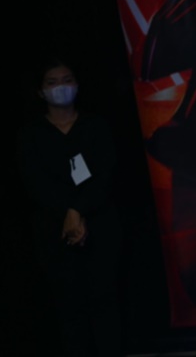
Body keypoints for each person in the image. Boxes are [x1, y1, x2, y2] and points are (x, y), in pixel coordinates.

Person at [16, 57, 123, 357]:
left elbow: (106, 174)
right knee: (69, 309)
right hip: (54, 230)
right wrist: (67, 213)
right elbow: (34, 182)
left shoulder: (95, 126)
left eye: (66, 80)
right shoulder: (30, 135)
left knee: (105, 303)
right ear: (41, 91)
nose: (60, 87)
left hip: (99, 225)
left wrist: (78, 211)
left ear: (77, 84)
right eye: (52, 83)